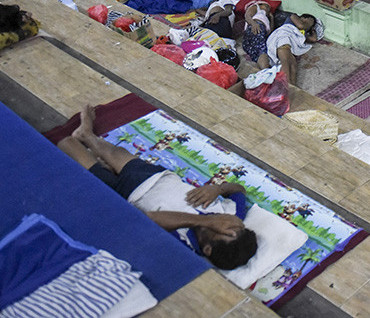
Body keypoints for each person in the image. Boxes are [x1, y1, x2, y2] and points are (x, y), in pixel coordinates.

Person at [58, 105, 257, 270]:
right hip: (156, 178)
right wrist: (218, 190)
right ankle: (88, 136)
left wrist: (206, 221)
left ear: (207, 249)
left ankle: (98, 161)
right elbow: (239, 189)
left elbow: (150, 218)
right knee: (116, 152)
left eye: (226, 230)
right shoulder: (233, 216)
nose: (226, 223)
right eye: (237, 226)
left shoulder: (183, 245)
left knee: (67, 144)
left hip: (124, 197)